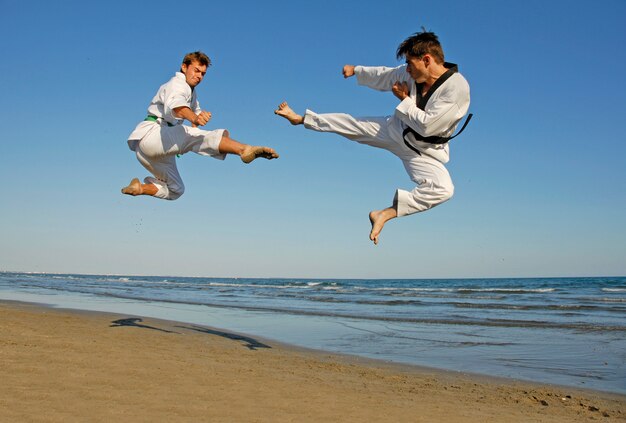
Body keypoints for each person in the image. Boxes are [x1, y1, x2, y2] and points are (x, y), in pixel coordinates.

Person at [275, 31, 471, 245]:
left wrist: (404, 100)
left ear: (426, 60)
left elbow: (428, 126)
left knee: (444, 189)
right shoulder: (412, 74)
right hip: (397, 128)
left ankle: (384, 214)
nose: (406, 69)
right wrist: (357, 71)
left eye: (409, 64)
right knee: (353, 125)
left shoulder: (456, 89)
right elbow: (385, 75)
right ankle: (301, 119)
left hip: (425, 152)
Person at [122, 51, 279, 200]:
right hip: (154, 134)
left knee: (176, 189)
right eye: (196, 71)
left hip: (150, 152)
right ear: (184, 67)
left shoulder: (191, 93)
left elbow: (194, 120)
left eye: (203, 74)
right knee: (196, 136)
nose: (199, 76)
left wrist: (196, 122)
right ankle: (244, 149)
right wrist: (195, 119)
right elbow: (177, 107)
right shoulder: (177, 84)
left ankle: (140, 188)